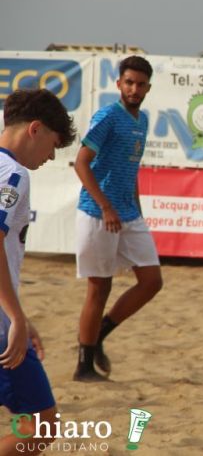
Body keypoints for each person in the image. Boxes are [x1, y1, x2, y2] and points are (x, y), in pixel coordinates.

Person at [73, 56, 164, 382]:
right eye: (129, 82)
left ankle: (99, 335)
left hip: (128, 213)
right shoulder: (108, 116)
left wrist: (136, 208)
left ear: (148, 88)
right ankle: (83, 365)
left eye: (140, 84)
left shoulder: (142, 119)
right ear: (119, 84)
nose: (134, 89)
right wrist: (107, 207)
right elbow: (81, 163)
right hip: (98, 213)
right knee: (99, 288)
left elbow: (131, 168)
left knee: (152, 281)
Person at [0, 89, 76, 454]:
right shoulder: (13, 174)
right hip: (0, 326)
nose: (51, 156)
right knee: (42, 424)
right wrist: (14, 316)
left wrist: (20, 316)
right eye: (54, 144)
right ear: (35, 129)